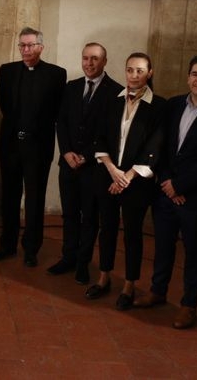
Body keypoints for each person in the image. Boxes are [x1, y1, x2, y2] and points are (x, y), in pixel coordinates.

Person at [133, 56, 197, 329]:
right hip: (165, 192)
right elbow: (162, 146)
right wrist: (167, 181)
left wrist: (181, 186)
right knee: (163, 246)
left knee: (193, 253)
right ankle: (157, 291)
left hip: (195, 198)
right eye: (195, 74)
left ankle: (189, 305)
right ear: (188, 77)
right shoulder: (174, 104)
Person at [86, 52, 166, 310]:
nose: (133, 75)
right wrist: (112, 170)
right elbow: (98, 138)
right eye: (130, 70)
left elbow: (154, 147)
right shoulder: (111, 100)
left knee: (132, 233)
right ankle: (104, 276)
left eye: (140, 71)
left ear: (149, 73)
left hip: (136, 182)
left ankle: (130, 284)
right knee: (106, 228)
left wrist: (126, 177)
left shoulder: (159, 107)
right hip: (108, 176)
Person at [0, 27, 66, 267]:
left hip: (38, 147)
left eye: (30, 45)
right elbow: (4, 107)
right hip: (11, 144)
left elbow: (56, 111)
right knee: (9, 196)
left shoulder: (56, 74)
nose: (25, 50)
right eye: (22, 45)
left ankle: (32, 248)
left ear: (41, 47)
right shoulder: (7, 71)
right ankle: (7, 244)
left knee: (35, 199)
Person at [49, 42, 122, 285]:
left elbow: (111, 133)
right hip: (68, 164)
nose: (89, 63)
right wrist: (67, 151)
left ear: (104, 61)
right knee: (69, 214)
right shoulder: (72, 87)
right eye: (85, 58)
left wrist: (87, 156)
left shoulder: (116, 92)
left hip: (94, 168)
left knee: (89, 217)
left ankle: (83, 263)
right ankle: (68, 257)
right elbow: (61, 122)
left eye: (94, 59)